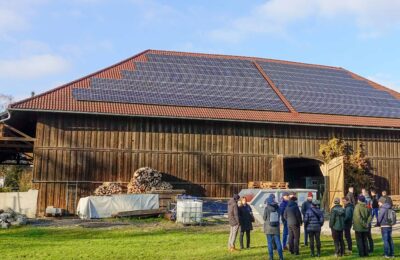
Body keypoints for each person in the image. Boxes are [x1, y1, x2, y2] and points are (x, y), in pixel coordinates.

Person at [264, 194, 284, 260]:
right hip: (276, 228)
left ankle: (271, 257)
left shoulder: (266, 208)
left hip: (268, 228)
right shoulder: (277, 208)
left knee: (269, 243)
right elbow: (279, 216)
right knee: (278, 242)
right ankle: (281, 257)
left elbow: (264, 218)